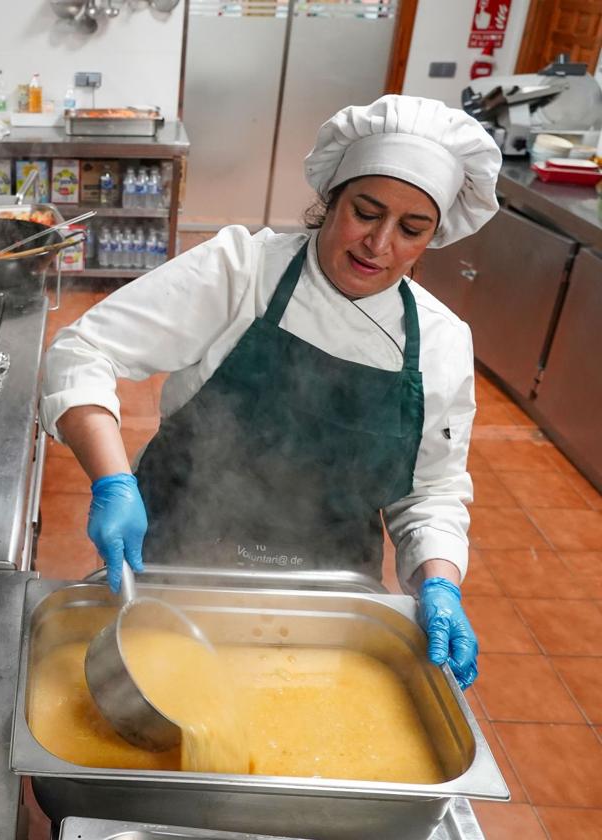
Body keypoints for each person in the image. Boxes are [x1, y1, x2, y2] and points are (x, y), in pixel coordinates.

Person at [40, 95, 502, 689]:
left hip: (324, 602)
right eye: (365, 212)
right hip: (172, 568)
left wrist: (438, 580)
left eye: (412, 229)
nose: (379, 245)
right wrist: (111, 479)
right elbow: (82, 350)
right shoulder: (241, 271)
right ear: (330, 197)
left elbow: (430, 491)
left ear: (433, 237)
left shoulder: (440, 342)